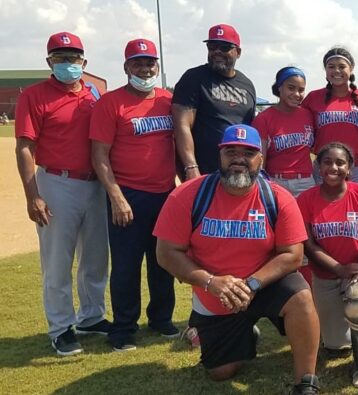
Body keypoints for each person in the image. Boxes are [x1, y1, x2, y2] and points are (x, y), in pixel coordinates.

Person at [154, 124, 321, 394]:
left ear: (261, 159)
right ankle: (245, 335)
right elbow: (166, 253)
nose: (239, 159)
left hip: (263, 283)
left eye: (248, 152)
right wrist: (210, 282)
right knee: (220, 373)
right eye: (231, 151)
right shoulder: (188, 194)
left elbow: (293, 255)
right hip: (217, 292)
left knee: (300, 296)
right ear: (219, 155)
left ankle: (306, 382)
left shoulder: (278, 198)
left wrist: (252, 284)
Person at [15, 32, 110, 356]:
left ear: (84, 61)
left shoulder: (94, 94)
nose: (68, 63)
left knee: (96, 258)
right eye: (60, 58)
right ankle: (60, 327)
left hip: (94, 184)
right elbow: (25, 147)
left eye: (73, 57)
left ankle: (92, 316)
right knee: (58, 261)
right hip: (57, 182)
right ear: (49, 62)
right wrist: (32, 195)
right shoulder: (34, 94)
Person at [89, 38, 178, 351]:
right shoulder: (111, 103)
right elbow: (99, 154)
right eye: (138, 63)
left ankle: (161, 318)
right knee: (126, 266)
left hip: (166, 194)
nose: (145, 68)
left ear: (157, 65)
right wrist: (116, 196)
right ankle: (123, 329)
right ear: (126, 67)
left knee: (163, 261)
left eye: (150, 62)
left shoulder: (168, 99)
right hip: (129, 194)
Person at [298, 143, 358, 388]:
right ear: (318, 166)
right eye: (327, 162)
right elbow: (309, 244)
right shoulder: (306, 199)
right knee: (337, 344)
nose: (333, 167)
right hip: (326, 276)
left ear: (350, 168)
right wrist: (338, 269)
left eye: (340, 163)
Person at [253, 66, 316, 285]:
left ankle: (307, 289)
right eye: (291, 88)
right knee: (280, 239)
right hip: (277, 182)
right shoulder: (265, 118)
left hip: (307, 181)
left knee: (307, 238)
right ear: (279, 88)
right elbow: (259, 158)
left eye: (301, 90)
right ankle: (280, 287)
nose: (297, 94)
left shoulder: (307, 115)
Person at [173, 24, 257, 178]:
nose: (217, 51)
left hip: (238, 172)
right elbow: (181, 126)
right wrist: (191, 167)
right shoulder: (193, 78)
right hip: (204, 172)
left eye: (224, 47)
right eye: (212, 46)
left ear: (238, 52)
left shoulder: (247, 84)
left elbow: (250, 128)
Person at [302, 47, 358, 187]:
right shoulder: (313, 98)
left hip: (357, 169)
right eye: (331, 67)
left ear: (351, 69)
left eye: (342, 66)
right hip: (325, 168)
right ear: (326, 70)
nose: (336, 71)